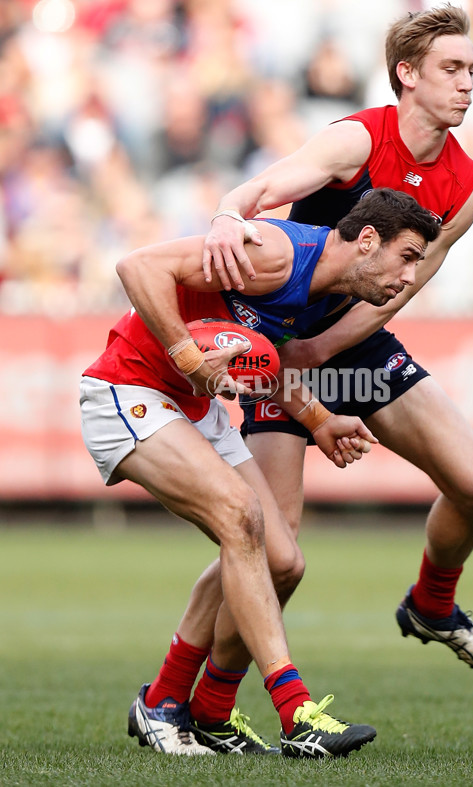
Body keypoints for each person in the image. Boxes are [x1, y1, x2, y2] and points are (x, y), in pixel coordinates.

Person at [178, 3, 473, 752]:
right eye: (451, 69)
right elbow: (259, 190)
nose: (467, 84)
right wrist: (224, 217)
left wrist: (322, 352)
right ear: (407, 74)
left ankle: (433, 605)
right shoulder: (356, 138)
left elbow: (397, 289)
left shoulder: (465, 187)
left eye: (471, 70)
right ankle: (195, 703)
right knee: (275, 547)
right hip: (279, 340)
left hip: (346, 345)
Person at [80, 188, 440, 758]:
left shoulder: (326, 295)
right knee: (240, 516)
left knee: (281, 561)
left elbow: (258, 357)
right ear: (367, 240)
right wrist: (188, 358)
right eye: (409, 255)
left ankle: (191, 709)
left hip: (192, 406)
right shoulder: (277, 252)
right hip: (129, 390)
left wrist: (320, 419)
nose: (411, 275)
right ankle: (296, 712)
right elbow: (137, 266)